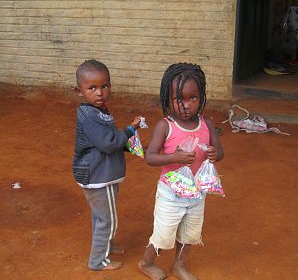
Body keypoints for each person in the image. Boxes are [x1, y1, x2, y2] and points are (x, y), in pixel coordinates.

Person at [138, 63, 224, 280]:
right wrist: (174, 157)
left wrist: (214, 153)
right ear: (167, 99)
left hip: (197, 193)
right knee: (163, 234)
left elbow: (220, 152)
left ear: (201, 97)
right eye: (179, 99)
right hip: (171, 195)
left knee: (189, 234)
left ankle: (179, 266)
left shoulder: (207, 124)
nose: (186, 105)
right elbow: (150, 157)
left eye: (192, 98)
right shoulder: (164, 126)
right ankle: (146, 262)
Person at [72, 59, 141, 271]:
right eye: (92, 88)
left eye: (104, 86)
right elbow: (109, 142)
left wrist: (128, 145)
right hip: (99, 177)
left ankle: (107, 247)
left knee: (101, 215)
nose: (99, 92)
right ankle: (98, 261)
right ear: (79, 91)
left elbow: (108, 138)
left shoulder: (96, 111)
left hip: (99, 173)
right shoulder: (90, 116)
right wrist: (129, 130)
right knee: (107, 220)